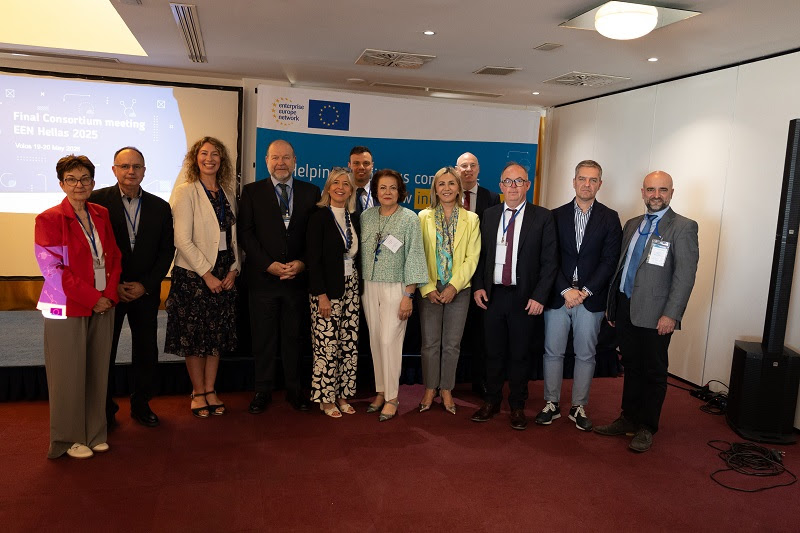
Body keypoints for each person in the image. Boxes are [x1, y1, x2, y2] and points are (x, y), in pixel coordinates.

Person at [596, 170, 699, 452]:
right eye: (651, 190)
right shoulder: (632, 224)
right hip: (626, 307)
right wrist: (613, 306)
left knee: (653, 371)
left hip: (657, 314)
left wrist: (671, 314)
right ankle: (628, 418)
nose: (656, 195)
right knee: (631, 366)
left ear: (671, 193)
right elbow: (621, 268)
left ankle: (646, 426)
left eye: (662, 190)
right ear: (642, 192)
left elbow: (684, 276)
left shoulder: (683, 227)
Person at [35, 154, 122, 458]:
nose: (78, 185)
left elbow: (113, 256)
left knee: (97, 370)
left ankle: (95, 432)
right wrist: (92, 298)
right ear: (62, 184)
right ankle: (68, 439)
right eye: (71, 179)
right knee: (68, 374)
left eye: (84, 179)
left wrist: (108, 295)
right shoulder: (48, 219)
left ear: (93, 183)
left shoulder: (101, 213)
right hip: (66, 306)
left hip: (103, 302)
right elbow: (52, 269)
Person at [90, 147, 174, 428]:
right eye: (124, 166)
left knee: (146, 351)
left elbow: (166, 251)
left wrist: (146, 285)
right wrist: (113, 286)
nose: (131, 171)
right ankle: (104, 409)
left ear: (144, 171)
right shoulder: (96, 201)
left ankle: (141, 405)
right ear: (114, 170)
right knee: (105, 351)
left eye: (136, 166)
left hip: (144, 291)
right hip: (109, 292)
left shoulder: (160, 207)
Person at [535, 160, 621, 431]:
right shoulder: (555, 215)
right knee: (553, 352)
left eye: (593, 180)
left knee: (585, 355)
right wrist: (565, 290)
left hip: (590, 298)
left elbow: (609, 261)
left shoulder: (610, 218)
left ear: (600, 184)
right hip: (559, 295)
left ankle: (578, 407)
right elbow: (549, 258)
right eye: (582, 179)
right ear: (573, 182)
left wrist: (583, 292)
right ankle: (551, 403)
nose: (587, 184)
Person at [470, 162, 557, 430]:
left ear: (527, 185)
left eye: (519, 181)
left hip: (525, 297)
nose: (513, 187)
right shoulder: (489, 215)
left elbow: (550, 262)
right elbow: (480, 255)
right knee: (492, 353)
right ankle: (491, 401)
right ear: (500, 186)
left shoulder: (542, 217)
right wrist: (478, 286)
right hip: (493, 295)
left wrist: (540, 296)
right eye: (508, 181)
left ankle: (517, 405)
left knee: (520, 355)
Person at [239, 139, 321, 413]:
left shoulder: (311, 192)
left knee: (294, 339)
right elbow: (245, 234)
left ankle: (295, 390)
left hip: (297, 281)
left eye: (286, 157)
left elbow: (316, 237)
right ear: (266, 161)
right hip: (263, 280)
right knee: (263, 339)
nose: (281, 163)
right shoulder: (251, 192)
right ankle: (262, 390)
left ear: (295, 161)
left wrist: (303, 263)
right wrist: (268, 265)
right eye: (275, 157)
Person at [165, 137, 239, 418]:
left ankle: (210, 389)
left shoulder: (227, 193)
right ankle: (198, 392)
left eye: (215, 154)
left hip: (224, 273)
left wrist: (234, 269)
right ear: (195, 158)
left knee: (216, 337)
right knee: (194, 338)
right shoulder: (186, 192)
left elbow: (234, 237)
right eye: (204, 153)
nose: (210, 158)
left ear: (222, 160)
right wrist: (207, 275)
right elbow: (182, 239)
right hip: (194, 276)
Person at [360, 169, 428, 421]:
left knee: (390, 341)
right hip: (369, 285)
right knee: (376, 340)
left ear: (400, 192)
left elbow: (414, 256)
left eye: (392, 188)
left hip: (396, 287)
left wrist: (408, 294)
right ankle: (380, 391)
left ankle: (392, 397)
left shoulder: (409, 218)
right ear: (375, 192)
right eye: (382, 188)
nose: (387, 192)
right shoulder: (366, 217)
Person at [417, 167, 480, 414]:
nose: (446, 188)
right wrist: (427, 287)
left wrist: (454, 285)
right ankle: (430, 388)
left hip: (459, 289)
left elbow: (472, 258)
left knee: (452, 344)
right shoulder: (422, 217)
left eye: (451, 183)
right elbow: (417, 255)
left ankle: (446, 389)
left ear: (459, 188)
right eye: (441, 184)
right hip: (430, 288)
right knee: (430, 343)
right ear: (435, 188)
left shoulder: (471, 219)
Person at [306, 168, 361, 418]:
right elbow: (313, 260)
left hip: (351, 287)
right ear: (328, 188)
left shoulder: (353, 217)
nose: (340, 187)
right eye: (335, 183)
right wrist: (321, 295)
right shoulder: (318, 217)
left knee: (348, 345)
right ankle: (325, 399)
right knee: (327, 346)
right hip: (327, 291)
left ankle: (342, 395)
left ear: (351, 190)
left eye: (346, 184)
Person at [456, 152, 501, 395]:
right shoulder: (449, 194)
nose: (468, 169)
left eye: (472, 165)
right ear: (457, 169)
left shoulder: (492, 198)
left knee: (481, 333)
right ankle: (448, 382)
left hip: (481, 273)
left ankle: (479, 380)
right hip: (452, 275)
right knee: (453, 334)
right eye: (463, 166)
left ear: (479, 169)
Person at [349, 146, 374, 215]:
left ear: (372, 165)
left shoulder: (380, 192)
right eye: (356, 163)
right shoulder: (341, 191)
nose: (361, 167)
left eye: (366, 163)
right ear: (349, 165)